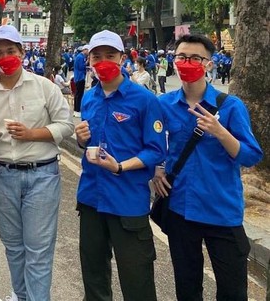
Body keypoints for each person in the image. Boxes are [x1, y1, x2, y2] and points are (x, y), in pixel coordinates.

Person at [0, 25, 74, 301]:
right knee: (13, 246)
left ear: (22, 52)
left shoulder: (44, 87)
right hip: (3, 176)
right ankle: (23, 296)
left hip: (42, 175)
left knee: (38, 250)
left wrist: (32, 134)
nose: (5, 57)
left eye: (11, 51)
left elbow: (66, 125)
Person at [152, 34, 263, 301]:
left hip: (221, 212)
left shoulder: (230, 106)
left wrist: (221, 132)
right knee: (188, 288)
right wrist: (156, 169)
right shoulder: (163, 104)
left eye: (195, 58)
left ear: (209, 64)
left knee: (233, 291)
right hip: (181, 209)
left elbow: (250, 156)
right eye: (181, 57)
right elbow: (152, 144)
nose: (187, 62)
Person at [74, 30, 166, 301]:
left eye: (110, 56)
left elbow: (156, 149)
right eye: (97, 56)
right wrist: (81, 140)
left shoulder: (144, 99)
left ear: (123, 58)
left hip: (127, 201)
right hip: (91, 198)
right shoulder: (89, 97)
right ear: (88, 59)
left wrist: (121, 167)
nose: (103, 61)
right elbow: (89, 140)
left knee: (137, 281)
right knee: (94, 278)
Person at [73, 45, 88, 116]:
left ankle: (76, 109)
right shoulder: (80, 57)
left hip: (79, 77)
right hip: (80, 77)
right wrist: (87, 62)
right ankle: (77, 109)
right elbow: (81, 67)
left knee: (78, 94)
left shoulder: (80, 57)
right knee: (79, 94)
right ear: (84, 50)